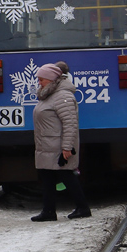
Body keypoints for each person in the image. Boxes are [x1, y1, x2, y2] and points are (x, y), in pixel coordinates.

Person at [31, 63, 90, 222]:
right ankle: (49, 211)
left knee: (66, 175)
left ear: (51, 80)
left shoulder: (62, 97)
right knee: (47, 176)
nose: (39, 83)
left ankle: (82, 207)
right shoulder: (49, 95)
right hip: (47, 145)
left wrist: (67, 147)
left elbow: (70, 124)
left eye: (41, 79)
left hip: (57, 146)